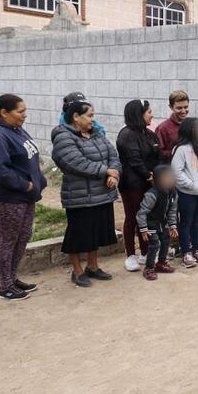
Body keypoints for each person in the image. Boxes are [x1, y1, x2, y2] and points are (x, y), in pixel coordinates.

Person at [0, 94, 47, 301]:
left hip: (25, 196)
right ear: (4, 113)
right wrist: (25, 184)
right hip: (7, 197)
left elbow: (28, 158)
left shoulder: (15, 129)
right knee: (9, 240)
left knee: (23, 236)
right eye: (20, 111)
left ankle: (12, 277)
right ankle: (4, 286)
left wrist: (39, 181)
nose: (24, 115)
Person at [51, 100, 121, 287]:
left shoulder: (96, 134)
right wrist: (105, 171)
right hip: (79, 196)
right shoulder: (63, 137)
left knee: (95, 232)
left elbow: (113, 156)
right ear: (75, 117)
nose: (92, 119)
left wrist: (114, 174)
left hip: (101, 193)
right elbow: (76, 162)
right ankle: (77, 270)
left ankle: (93, 266)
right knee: (78, 234)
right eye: (89, 115)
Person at [116, 99, 160, 272]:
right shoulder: (126, 135)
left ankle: (144, 252)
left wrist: (157, 174)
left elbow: (156, 156)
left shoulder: (149, 134)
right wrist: (149, 176)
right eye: (148, 112)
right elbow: (135, 160)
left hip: (149, 182)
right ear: (138, 114)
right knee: (133, 218)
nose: (152, 115)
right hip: (132, 184)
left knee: (147, 217)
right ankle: (130, 255)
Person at [171, 117, 198, 268]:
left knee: (196, 222)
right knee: (186, 223)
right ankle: (186, 252)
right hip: (187, 193)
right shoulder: (180, 149)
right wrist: (192, 185)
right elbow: (177, 172)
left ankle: (196, 249)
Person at [136, 165, 178, 281]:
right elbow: (141, 213)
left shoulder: (173, 193)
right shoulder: (152, 194)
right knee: (154, 244)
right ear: (158, 179)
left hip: (162, 223)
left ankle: (161, 263)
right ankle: (149, 268)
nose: (170, 179)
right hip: (151, 224)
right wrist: (143, 229)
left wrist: (173, 226)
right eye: (166, 177)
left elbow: (172, 211)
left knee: (165, 241)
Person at [155, 90, 190, 163]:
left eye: (186, 107)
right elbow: (159, 153)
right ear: (171, 107)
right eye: (179, 108)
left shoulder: (192, 125)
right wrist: (178, 153)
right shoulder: (162, 128)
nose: (183, 111)